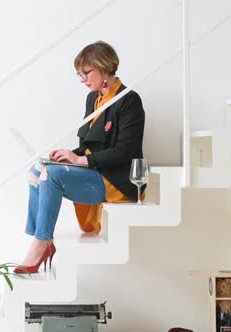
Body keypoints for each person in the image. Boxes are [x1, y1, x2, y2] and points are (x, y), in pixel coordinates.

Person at [14, 41, 146, 274]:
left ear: (104, 68)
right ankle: (40, 238)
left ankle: (42, 243)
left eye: (86, 72)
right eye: (79, 75)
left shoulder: (129, 100)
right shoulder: (93, 99)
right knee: (37, 171)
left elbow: (126, 151)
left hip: (117, 180)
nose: (83, 79)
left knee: (51, 176)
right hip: (95, 171)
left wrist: (79, 161)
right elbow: (88, 146)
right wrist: (68, 155)